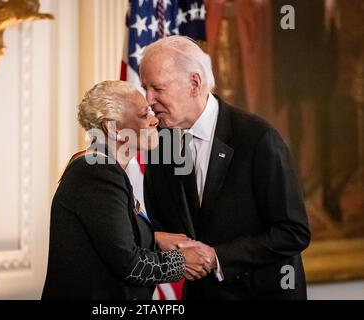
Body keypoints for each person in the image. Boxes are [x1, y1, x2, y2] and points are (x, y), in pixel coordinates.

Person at [141, 36, 311, 299]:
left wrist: (217, 257)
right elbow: (162, 226)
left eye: (157, 88)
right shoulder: (161, 144)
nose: (148, 100)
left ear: (194, 83)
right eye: (145, 89)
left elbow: (293, 232)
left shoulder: (257, 138)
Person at [42, 80, 213, 300]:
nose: (154, 119)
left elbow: (111, 239)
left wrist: (154, 238)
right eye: (144, 115)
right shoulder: (98, 172)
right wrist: (182, 262)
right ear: (112, 128)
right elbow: (129, 264)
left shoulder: (101, 169)